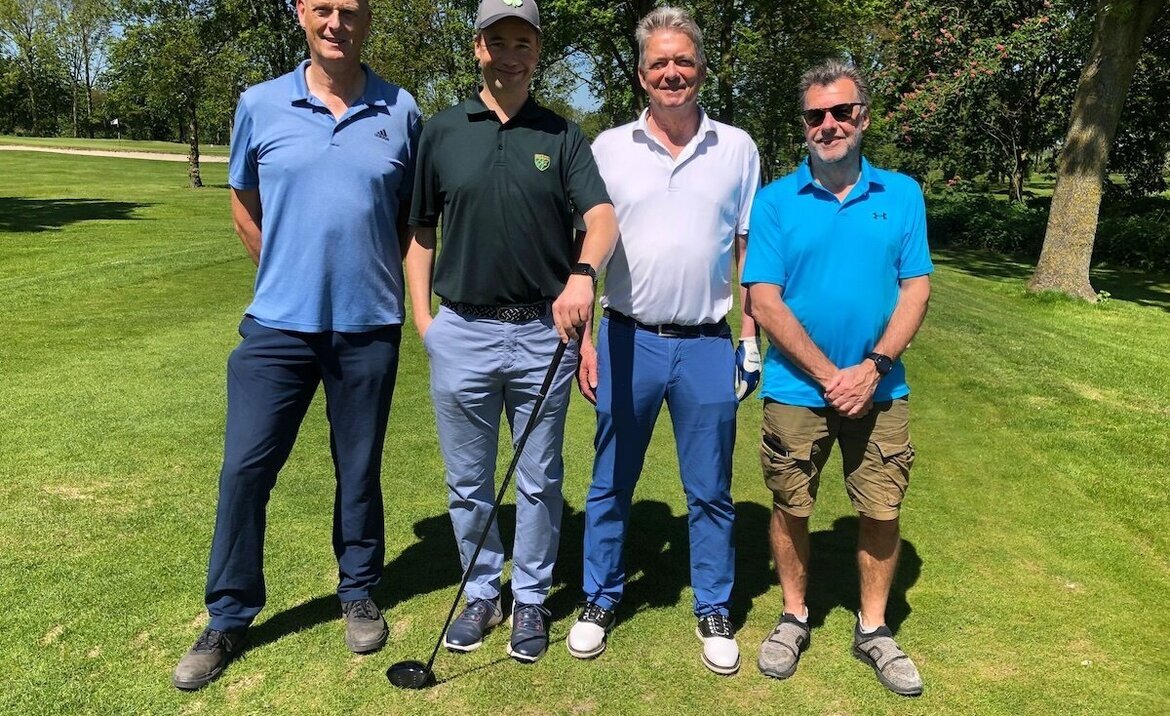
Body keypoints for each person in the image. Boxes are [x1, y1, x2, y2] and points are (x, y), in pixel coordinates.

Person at [172, 0, 421, 691]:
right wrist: (284, 269)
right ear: (301, 14)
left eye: (350, 10)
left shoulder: (401, 109)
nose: (337, 22)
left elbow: (409, 218)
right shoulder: (259, 103)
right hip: (277, 326)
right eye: (324, 9)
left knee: (359, 468)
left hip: (368, 325)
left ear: (367, 19)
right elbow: (243, 200)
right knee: (245, 470)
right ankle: (228, 614)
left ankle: (359, 590)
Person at [404, 0, 618, 664]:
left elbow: (602, 218)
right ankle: (480, 594)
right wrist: (425, 321)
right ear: (478, 48)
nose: (511, 55)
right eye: (499, 41)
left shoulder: (563, 135)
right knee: (468, 483)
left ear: (537, 51)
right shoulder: (441, 131)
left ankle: (529, 598)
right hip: (462, 332)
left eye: (523, 42)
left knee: (539, 478)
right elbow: (420, 232)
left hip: (541, 337)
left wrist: (583, 273)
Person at [564, 6, 761, 676]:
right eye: (659, 63)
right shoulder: (609, 148)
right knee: (611, 480)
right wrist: (586, 342)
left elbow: (747, 251)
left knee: (709, 488)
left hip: (707, 342)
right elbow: (589, 248)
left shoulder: (737, 148)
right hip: (627, 337)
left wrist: (751, 337)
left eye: (683, 61)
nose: (672, 72)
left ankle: (714, 605)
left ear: (701, 67)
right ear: (642, 74)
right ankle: (600, 598)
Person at [741, 59, 932, 696]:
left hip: (882, 387)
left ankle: (874, 628)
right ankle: (794, 616)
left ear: (863, 117)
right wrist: (831, 376)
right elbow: (763, 298)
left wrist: (872, 368)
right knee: (791, 504)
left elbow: (916, 288)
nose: (829, 124)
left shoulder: (901, 194)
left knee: (881, 507)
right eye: (816, 115)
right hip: (797, 388)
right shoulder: (775, 200)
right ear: (804, 125)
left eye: (841, 111)